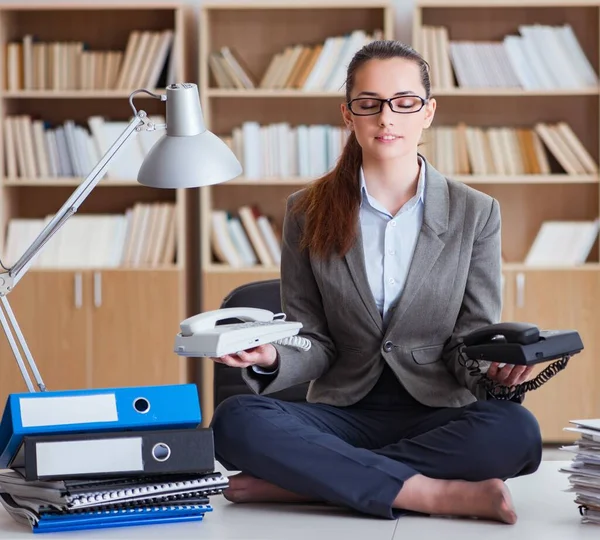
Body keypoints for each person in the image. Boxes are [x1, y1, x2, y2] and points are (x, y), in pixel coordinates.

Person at [209, 40, 542, 525]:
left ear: (428, 112)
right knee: (235, 422)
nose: (387, 118)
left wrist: (494, 370)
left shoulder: (476, 212)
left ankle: (308, 485)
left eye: (405, 102)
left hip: (437, 412)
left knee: (517, 432)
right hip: (341, 413)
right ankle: (430, 493)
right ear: (349, 114)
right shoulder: (306, 211)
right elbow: (313, 340)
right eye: (370, 104)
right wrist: (272, 356)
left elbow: (467, 342)